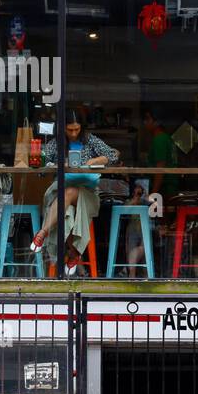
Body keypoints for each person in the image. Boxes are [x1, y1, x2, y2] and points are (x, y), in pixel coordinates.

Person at [31, 110, 119, 275]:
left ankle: (43, 232)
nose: (73, 133)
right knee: (67, 214)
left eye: (76, 129)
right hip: (63, 196)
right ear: (63, 128)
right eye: (69, 130)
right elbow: (40, 166)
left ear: (81, 128)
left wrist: (97, 160)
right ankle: (74, 253)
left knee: (69, 192)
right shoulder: (57, 143)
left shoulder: (90, 140)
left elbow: (113, 155)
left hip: (88, 194)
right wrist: (53, 164)